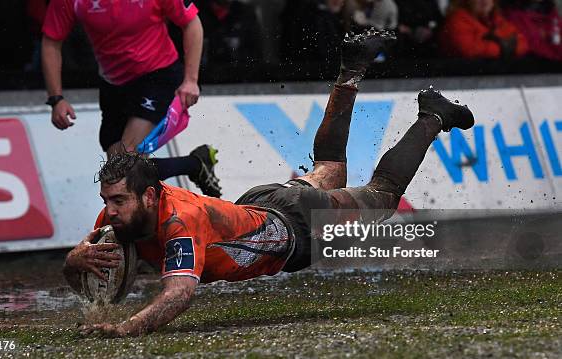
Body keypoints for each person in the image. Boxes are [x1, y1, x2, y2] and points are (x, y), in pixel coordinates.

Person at [66, 28, 475, 337]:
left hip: (291, 227)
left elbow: (178, 294)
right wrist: (72, 262)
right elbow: (87, 273)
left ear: (150, 196)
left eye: (119, 200)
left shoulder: (180, 222)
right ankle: (350, 71)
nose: (111, 210)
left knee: (382, 196)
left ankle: (432, 115)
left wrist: (126, 328)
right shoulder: (119, 214)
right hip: (261, 206)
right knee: (330, 167)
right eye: (108, 201)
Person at [41, 0, 222, 197]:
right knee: (118, 173)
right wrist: (56, 98)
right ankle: (195, 164)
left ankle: (156, 215)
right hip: (113, 86)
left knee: (124, 166)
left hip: (157, 76)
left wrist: (191, 80)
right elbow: (51, 42)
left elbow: (192, 23)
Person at [438, 0, 528, 59]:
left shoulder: (497, 20)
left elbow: (522, 43)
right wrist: (502, 48)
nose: (485, 1)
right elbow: (469, 49)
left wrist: (500, 47)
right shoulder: (456, 20)